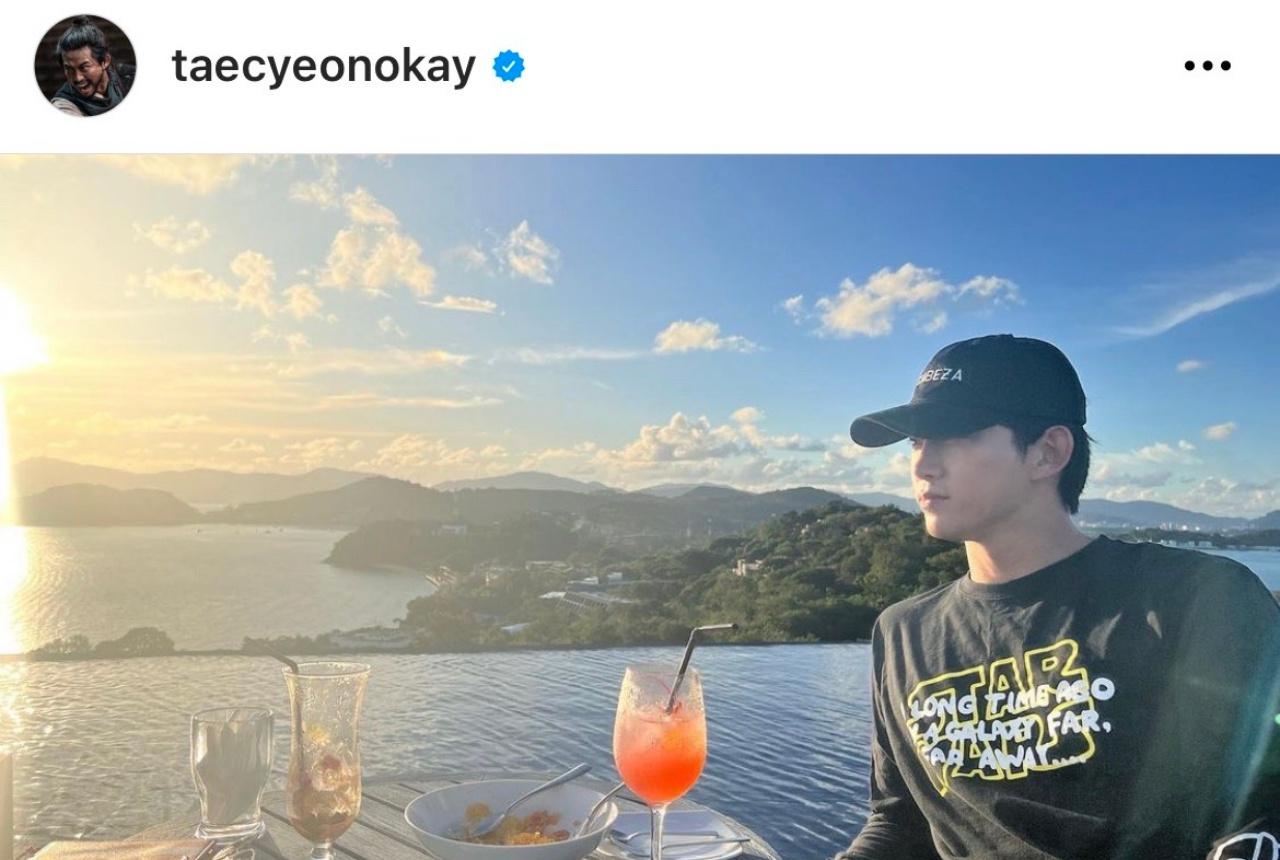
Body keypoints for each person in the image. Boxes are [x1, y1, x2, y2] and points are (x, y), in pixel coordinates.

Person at [836, 334, 1280, 859]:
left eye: (955, 435)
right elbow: (899, 822)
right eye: (916, 441)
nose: (922, 465)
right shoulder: (903, 633)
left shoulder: (1194, 600)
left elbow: (1260, 810)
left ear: (1049, 452)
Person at [49, 16, 134, 117]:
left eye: (84, 67)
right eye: (69, 69)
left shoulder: (130, 76)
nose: (77, 78)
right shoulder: (64, 106)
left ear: (105, 61)